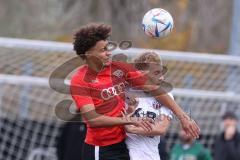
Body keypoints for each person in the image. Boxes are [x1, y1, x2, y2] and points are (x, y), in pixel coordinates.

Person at [70, 23, 200, 160]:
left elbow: (154, 88)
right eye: (102, 50)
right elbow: (94, 120)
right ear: (89, 54)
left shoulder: (119, 68)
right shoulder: (80, 80)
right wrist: (129, 120)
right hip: (100, 149)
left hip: (121, 146)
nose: (108, 52)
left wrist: (183, 117)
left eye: (107, 48)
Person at [124, 52, 173, 160]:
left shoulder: (166, 96)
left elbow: (161, 128)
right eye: (156, 73)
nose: (161, 77)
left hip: (151, 156)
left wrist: (132, 129)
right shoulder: (126, 92)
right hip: (124, 153)